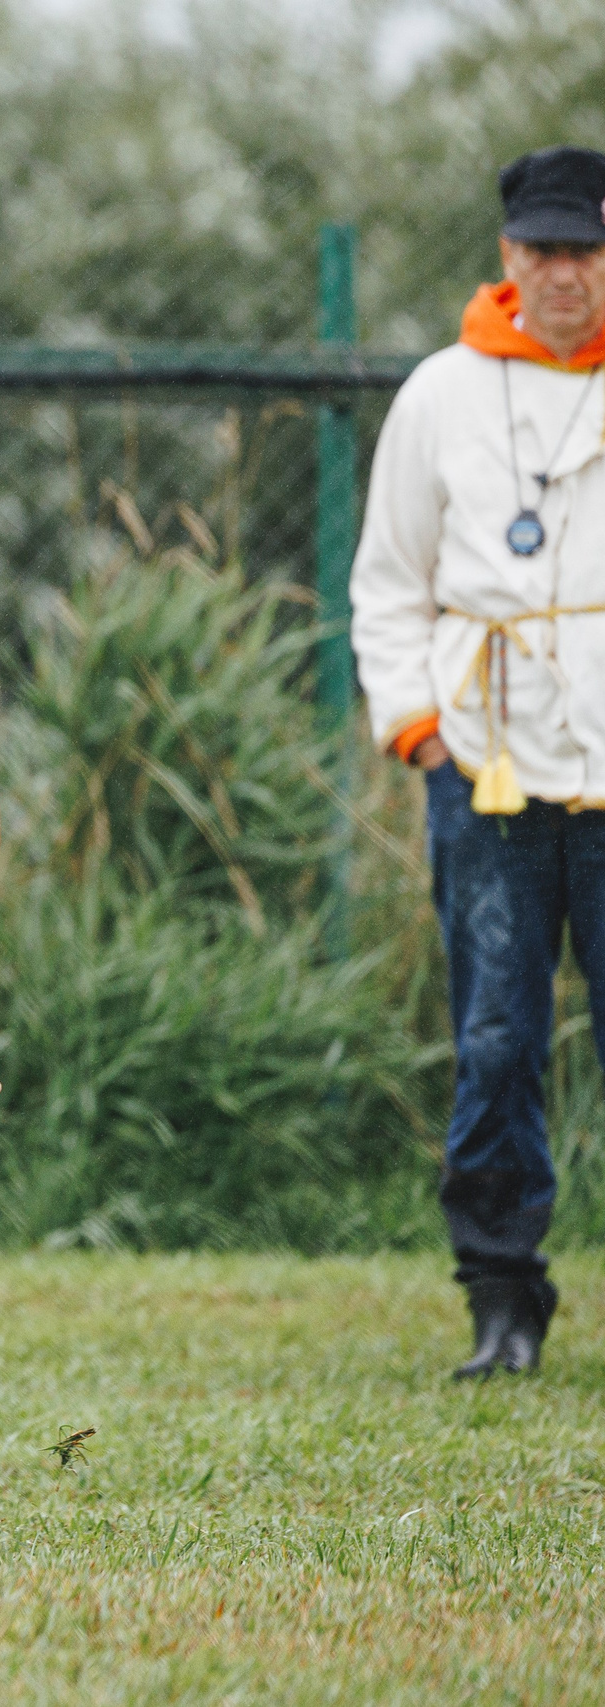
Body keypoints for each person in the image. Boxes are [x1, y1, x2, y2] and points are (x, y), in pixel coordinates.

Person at [351, 146, 605, 1379]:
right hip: (489, 773)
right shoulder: (440, 395)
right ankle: (502, 1296)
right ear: (509, 258)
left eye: (587, 250)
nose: (566, 273)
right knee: (498, 1037)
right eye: (545, 250)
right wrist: (418, 724)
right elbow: (387, 584)